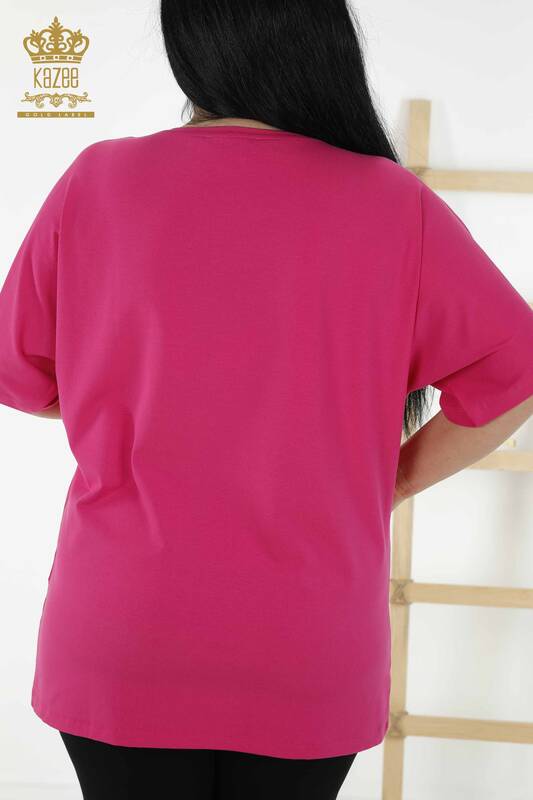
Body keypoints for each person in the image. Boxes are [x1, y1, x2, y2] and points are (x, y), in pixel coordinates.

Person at [1, 1, 533, 798]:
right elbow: (513, 372)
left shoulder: (98, 182)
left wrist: (134, 400)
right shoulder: (389, 201)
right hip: (309, 643)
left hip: (122, 630)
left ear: (192, 46)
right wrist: (387, 480)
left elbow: (23, 374)